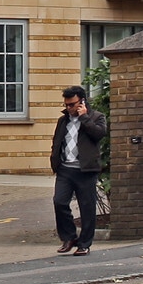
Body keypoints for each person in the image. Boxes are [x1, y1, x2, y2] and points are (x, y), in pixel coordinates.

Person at [51, 83, 106, 256]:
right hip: (65, 169)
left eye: (72, 105)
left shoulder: (96, 117)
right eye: (66, 105)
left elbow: (99, 134)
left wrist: (84, 118)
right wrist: (55, 161)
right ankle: (69, 237)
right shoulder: (63, 120)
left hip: (86, 170)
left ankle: (84, 244)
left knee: (87, 208)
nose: (68, 108)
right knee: (59, 202)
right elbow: (57, 141)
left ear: (81, 102)